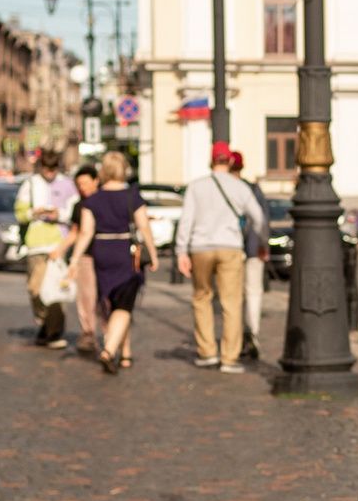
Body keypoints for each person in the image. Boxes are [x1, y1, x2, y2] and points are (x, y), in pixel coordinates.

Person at [177, 143, 267, 372]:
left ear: (211, 161)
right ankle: (229, 357)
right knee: (231, 302)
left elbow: (186, 220)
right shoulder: (240, 188)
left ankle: (207, 352)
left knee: (202, 297)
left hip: (200, 247)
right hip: (230, 247)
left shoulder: (196, 187)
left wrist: (181, 251)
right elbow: (258, 218)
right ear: (229, 161)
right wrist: (262, 243)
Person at [70, 151, 156, 375]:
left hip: (102, 253)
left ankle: (125, 354)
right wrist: (153, 254)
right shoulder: (132, 196)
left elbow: (86, 232)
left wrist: (74, 259)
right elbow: (144, 227)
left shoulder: (93, 200)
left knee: (114, 304)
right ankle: (109, 350)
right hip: (125, 252)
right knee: (124, 306)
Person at [14, 147, 75, 348]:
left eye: (53, 168)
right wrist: (34, 212)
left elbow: (75, 214)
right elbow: (20, 214)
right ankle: (44, 324)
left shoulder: (67, 184)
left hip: (59, 241)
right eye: (46, 168)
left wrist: (60, 216)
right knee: (35, 288)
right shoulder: (30, 185)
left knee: (55, 290)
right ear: (40, 167)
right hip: (35, 243)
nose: (49, 172)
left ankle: (55, 333)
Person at [62, 161, 103, 356]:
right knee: (85, 297)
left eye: (85, 183)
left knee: (105, 298)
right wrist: (62, 250)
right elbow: (76, 232)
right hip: (86, 257)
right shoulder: (79, 205)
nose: (82, 188)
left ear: (96, 181)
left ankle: (110, 334)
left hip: (105, 256)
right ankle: (88, 332)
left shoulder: (105, 201)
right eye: (79, 185)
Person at [233, 152, 268, 363]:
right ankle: (252, 331)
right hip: (253, 246)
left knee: (232, 295)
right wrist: (264, 243)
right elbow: (262, 218)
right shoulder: (253, 188)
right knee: (253, 291)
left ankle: (235, 337)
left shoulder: (225, 188)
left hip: (232, 247)